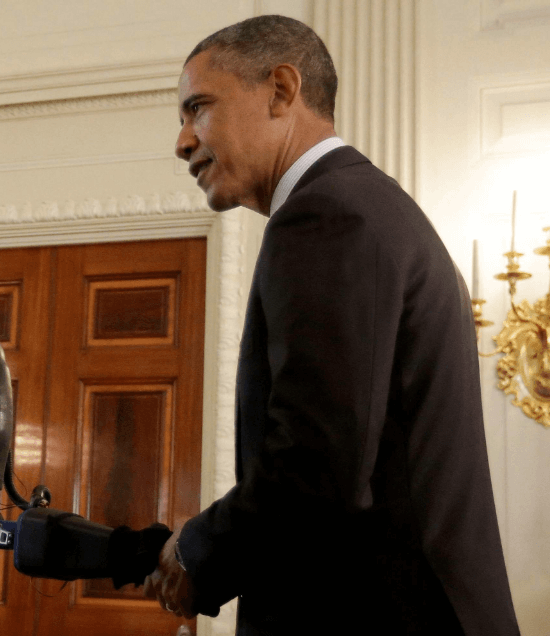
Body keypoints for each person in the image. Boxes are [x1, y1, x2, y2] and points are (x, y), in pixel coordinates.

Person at [144, 15, 520, 636]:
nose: (183, 141)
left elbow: (317, 464)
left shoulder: (326, 214)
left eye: (198, 108)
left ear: (282, 90)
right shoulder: (369, 205)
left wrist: (198, 551)